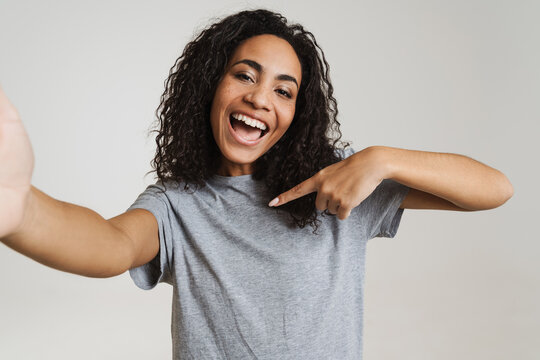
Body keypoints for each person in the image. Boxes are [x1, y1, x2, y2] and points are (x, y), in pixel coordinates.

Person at [0, 9, 513, 360]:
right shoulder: (179, 205)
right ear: (210, 88)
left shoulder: (339, 182)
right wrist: (21, 208)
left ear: (297, 112)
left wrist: (382, 159)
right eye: (245, 76)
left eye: (283, 90)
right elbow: (109, 245)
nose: (261, 98)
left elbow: (494, 189)